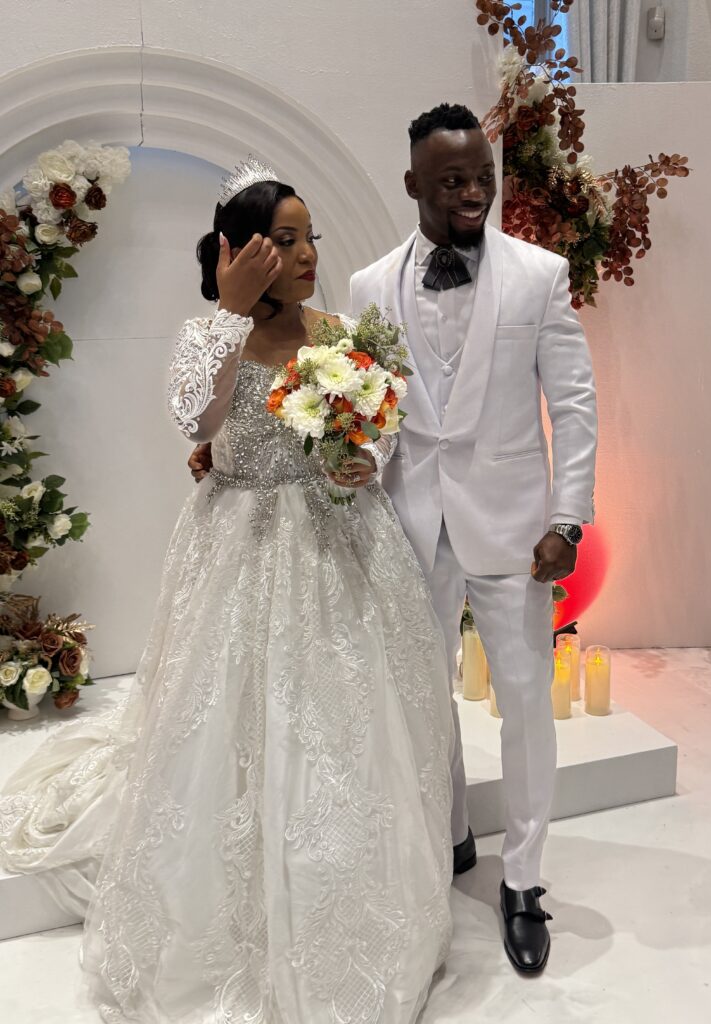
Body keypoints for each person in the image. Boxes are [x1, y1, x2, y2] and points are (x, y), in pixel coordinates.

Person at [1, 164, 454, 1024]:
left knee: (344, 728)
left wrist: (366, 460)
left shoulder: (339, 330)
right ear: (239, 251)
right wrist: (228, 314)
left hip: (340, 544)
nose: (307, 253)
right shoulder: (209, 336)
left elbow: (374, 429)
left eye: (310, 236)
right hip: (240, 541)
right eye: (285, 239)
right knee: (226, 724)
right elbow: (193, 420)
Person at [191, 106, 598, 975]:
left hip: (515, 529)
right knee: (417, 695)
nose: (472, 192)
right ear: (413, 183)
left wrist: (568, 519)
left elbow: (572, 404)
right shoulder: (369, 286)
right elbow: (369, 409)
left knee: (526, 702)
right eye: (451, 180)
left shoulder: (540, 276)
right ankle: (445, 837)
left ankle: (523, 880)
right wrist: (353, 460)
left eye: (482, 176)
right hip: (402, 526)